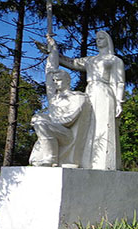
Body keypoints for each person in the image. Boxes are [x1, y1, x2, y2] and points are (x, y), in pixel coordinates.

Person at [54, 31, 125, 170]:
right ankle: (86, 161)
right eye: (97, 38)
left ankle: (105, 164)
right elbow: (72, 63)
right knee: (88, 126)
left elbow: (119, 82)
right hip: (90, 92)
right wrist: (54, 52)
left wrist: (119, 102)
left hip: (105, 93)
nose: (98, 40)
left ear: (108, 40)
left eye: (101, 38)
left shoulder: (114, 60)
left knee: (103, 125)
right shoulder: (90, 60)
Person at [29, 36, 93, 168]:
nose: (55, 83)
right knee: (39, 120)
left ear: (67, 80)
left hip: (67, 136)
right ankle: (47, 156)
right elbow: (49, 73)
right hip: (52, 130)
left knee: (40, 120)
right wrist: (53, 50)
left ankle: (51, 158)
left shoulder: (78, 97)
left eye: (59, 80)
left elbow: (69, 120)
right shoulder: (55, 98)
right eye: (55, 81)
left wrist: (47, 120)